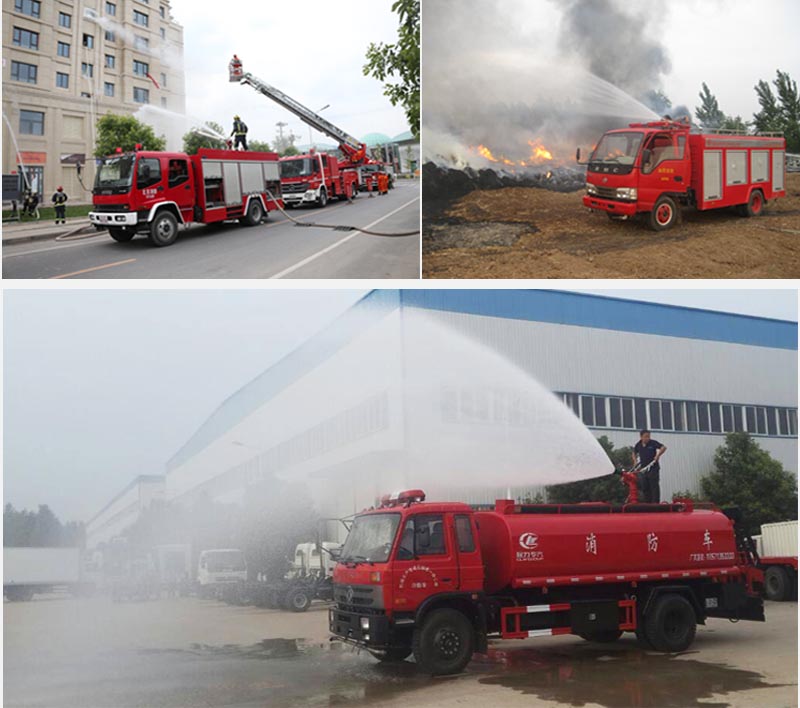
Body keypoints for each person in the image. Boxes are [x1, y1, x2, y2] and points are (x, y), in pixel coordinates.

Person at [632, 429, 667, 503]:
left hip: (653, 468)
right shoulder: (638, 444)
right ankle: (648, 503)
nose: (647, 438)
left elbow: (663, 447)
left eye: (648, 436)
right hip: (644, 469)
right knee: (645, 486)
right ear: (641, 437)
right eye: (646, 436)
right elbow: (634, 453)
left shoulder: (653, 443)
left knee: (654, 486)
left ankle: (655, 504)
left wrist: (658, 455)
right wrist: (635, 461)